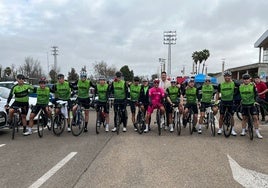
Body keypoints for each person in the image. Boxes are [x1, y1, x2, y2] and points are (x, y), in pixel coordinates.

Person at [215, 70, 239, 136]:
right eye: (226, 76)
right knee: (221, 116)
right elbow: (217, 93)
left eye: (228, 76)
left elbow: (242, 85)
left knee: (232, 116)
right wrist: (216, 101)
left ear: (231, 76)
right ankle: (220, 129)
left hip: (231, 101)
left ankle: (233, 130)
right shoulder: (221, 84)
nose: (227, 77)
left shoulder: (234, 83)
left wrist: (251, 83)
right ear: (224, 77)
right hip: (223, 101)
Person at [239, 74, 263, 139]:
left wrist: (255, 101)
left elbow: (256, 94)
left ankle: (257, 132)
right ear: (243, 80)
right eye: (244, 79)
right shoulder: (240, 86)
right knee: (244, 118)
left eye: (247, 79)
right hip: (244, 104)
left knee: (255, 117)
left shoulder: (253, 85)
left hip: (252, 104)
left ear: (250, 79)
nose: (246, 80)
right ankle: (243, 131)